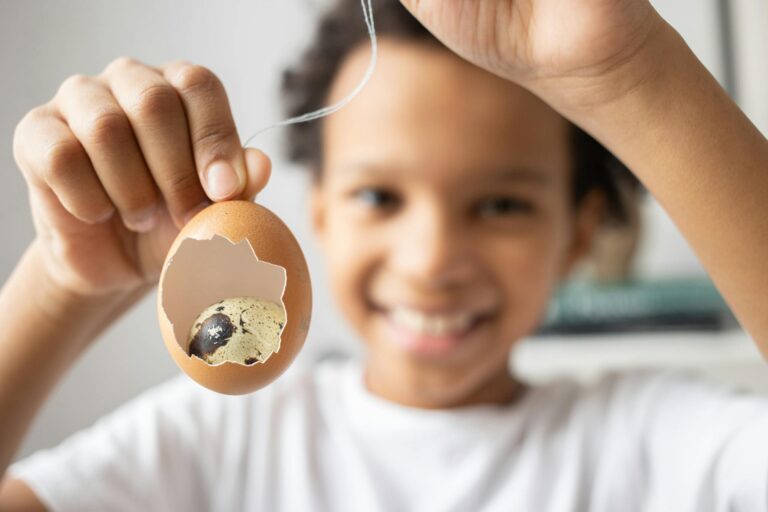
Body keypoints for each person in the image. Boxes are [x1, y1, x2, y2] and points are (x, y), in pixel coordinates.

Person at [1, 0, 767, 510]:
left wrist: (631, 76)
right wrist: (58, 291)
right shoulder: (214, 442)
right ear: (320, 215)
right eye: (379, 198)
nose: (432, 260)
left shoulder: (653, 445)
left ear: (576, 230)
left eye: (500, 204)